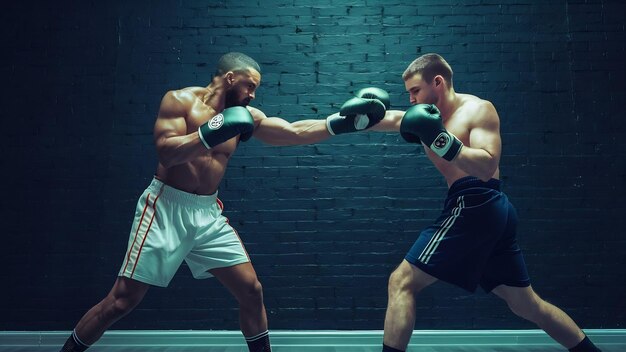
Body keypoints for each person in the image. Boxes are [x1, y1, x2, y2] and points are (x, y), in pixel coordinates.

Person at [60, 52, 390, 352]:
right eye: (250, 86)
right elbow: (167, 152)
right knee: (121, 302)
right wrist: (211, 132)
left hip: (207, 213)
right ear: (231, 78)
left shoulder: (244, 115)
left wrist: (340, 124)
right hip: (165, 209)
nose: (252, 95)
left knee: (251, 290)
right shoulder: (180, 101)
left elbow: (293, 131)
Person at [371, 53, 601, 352]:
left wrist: (441, 139)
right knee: (526, 304)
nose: (411, 99)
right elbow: (391, 119)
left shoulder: (477, 109)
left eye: (415, 91)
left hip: (475, 202)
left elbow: (487, 165)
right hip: (488, 211)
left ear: (437, 82)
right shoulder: (424, 117)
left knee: (401, 281)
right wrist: (356, 118)